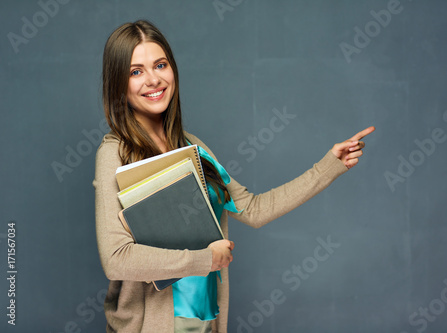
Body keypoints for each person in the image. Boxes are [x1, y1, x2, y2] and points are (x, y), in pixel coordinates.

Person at [93, 20, 375, 333]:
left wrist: (328, 166)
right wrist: (203, 260)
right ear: (119, 84)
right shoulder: (114, 154)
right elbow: (117, 259)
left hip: (205, 322)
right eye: (136, 71)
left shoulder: (192, 146)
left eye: (160, 65)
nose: (153, 79)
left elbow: (252, 209)